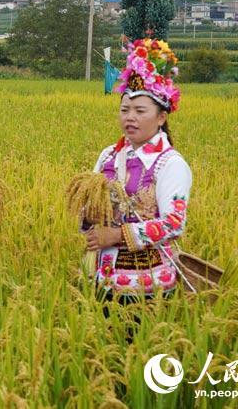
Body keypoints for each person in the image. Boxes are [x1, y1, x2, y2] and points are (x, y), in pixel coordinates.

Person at [82, 38, 191, 302]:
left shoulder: (170, 163)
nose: (130, 117)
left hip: (148, 284)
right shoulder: (108, 155)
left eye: (140, 110)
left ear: (161, 117)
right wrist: (87, 217)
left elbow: (174, 224)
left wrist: (117, 235)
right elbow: (88, 209)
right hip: (102, 276)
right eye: (124, 109)